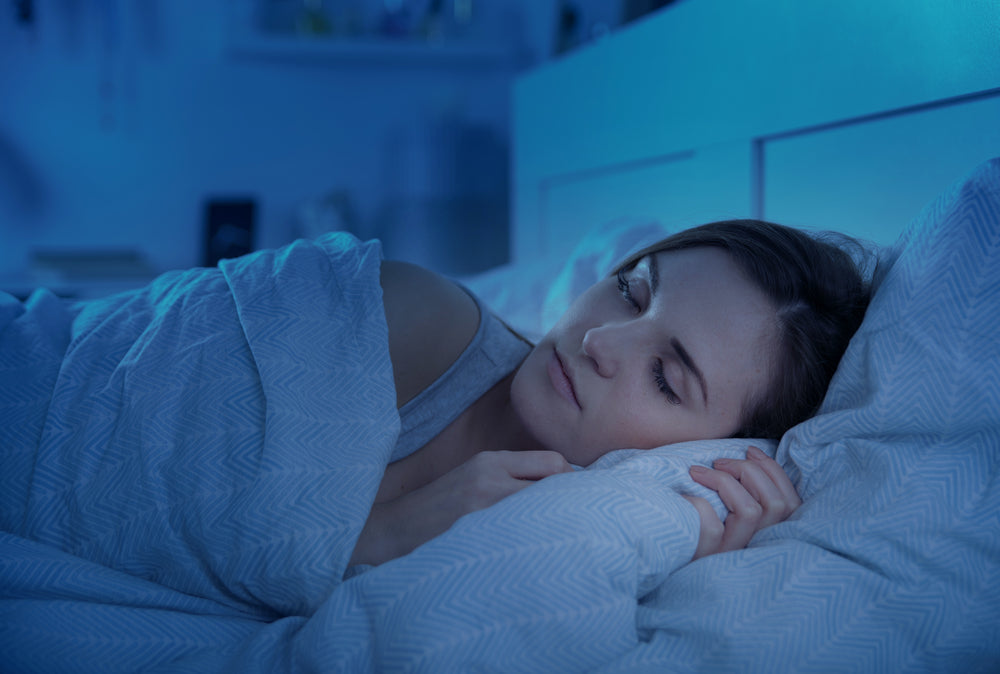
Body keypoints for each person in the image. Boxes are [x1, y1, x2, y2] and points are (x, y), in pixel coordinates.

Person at [351, 219, 872, 567]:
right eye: (630, 292)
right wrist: (389, 532)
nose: (597, 341)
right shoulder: (397, 315)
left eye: (665, 379)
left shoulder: (609, 541)